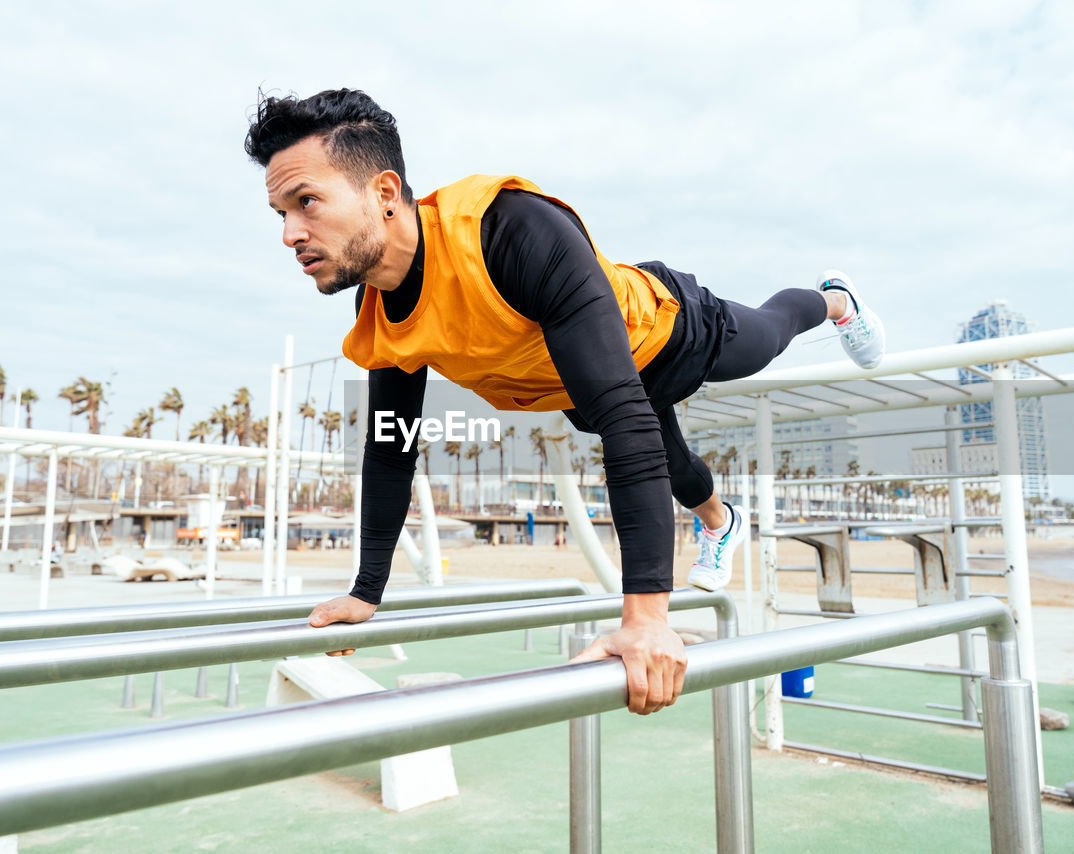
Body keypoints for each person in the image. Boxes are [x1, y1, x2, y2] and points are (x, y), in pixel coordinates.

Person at [244, 89, 885, 715]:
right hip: (583, 382)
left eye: (307, 203)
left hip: (668, 332)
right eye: (281, 213)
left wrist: (644, 618)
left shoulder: (510, 231)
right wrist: (366, 593)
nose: (290, 234)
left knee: (767, 335)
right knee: (674, 465)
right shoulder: (380, 308)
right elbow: (391, 447)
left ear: (384, 194)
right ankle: (721, 521)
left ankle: (834, 300)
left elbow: (626, 420)